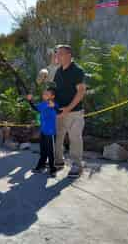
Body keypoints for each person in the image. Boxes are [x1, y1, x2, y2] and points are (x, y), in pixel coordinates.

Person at [53, 45, 86, 178]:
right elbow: (55, 89)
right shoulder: (58, 71)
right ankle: (59, 161)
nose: (57, 56)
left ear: (68, 55)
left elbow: (81, 91)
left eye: (60, 54)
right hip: (59, 111)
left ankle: (77, 166)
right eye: (57, 54)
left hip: (75, 112)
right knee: (58, 137)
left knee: (75, 138)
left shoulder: (77, 71)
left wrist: (68, 108)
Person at [26, 86, 59, 178]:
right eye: (44, 94)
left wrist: (55, 107)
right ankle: (40, 166)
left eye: (47, 94)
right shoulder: (43, 104)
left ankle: (53, 170)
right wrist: (30, 100)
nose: (44, 95)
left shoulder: (55, 104)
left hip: (51, 133)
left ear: (52, 96)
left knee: (51, 152)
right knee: (43, 151)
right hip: (43, 132)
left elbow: (59, 111)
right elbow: (35, 108)